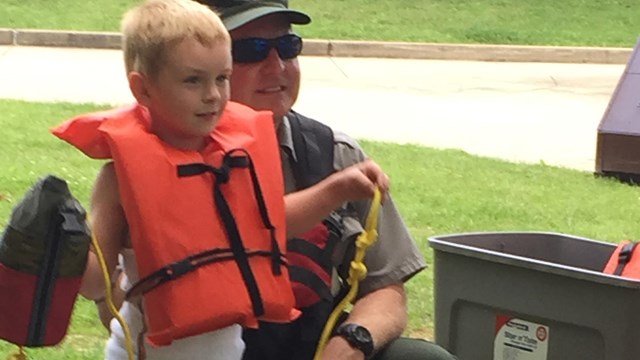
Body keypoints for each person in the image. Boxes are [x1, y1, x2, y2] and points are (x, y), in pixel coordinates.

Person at [53, 0, 390, 358]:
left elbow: (274, 222)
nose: (213, 95)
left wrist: (339, 187)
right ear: (143, 89)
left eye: (222, 78)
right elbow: (94, 284)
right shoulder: (119, 179)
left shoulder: (236, 160)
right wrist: (62, 245)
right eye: (193, 80)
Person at [195, 1, 459, 359]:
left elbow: (386, 290)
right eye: (250, 51)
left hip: (309, 345)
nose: (276, 67)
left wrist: (351, 343)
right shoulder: (170, 162)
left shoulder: (336, 155)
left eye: (288, 48)